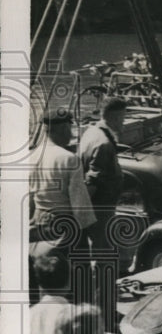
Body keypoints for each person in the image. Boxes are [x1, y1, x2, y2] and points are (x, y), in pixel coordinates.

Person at [29, 107, 96, 258]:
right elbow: (80, 205)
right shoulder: (68, 159)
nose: (71, 134)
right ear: (64, 128)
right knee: (76, 273)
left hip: (40, 222)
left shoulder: (32, 156)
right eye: (70, 128)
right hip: (65, 225)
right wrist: (89, 231)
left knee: (45, 267)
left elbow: (31, 198)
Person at [78, 96, 127, 254]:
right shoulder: (103, 144)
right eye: (122, 118)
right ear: (114, 117)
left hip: (96, 205)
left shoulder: (91, 132)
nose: (123, 123)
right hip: (101, 206)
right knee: (105, 251)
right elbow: (93, 180)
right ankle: (103, 278)